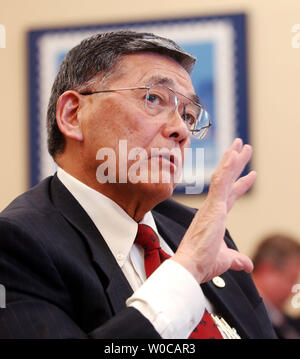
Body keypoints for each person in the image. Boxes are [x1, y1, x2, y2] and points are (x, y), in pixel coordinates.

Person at [0, 30, 276, 339]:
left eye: (188, 115)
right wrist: (184, 274)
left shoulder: (194, 229)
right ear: (73, 115)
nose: (180, 131)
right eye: (153, 98)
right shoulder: (14, 245)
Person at [252, 234, 300, 339]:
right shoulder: (247, 315)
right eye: (291, 279)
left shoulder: (281, 319)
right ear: (266, 270)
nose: (293, 290)